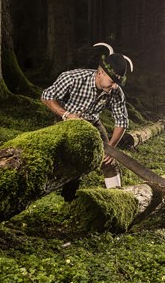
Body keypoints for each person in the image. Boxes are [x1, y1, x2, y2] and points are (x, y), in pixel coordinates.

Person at [41, 42, 132, 199]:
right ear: (100, 73)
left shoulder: (115, 90)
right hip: (66, 121)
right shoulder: (72, 78)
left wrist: (111, 147)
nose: (114, 87)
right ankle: (65, 197)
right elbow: (46, 96)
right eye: (112, 82)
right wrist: (65, 114)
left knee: (109, 161)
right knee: (68, 160)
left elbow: (122, 121)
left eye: (117, 83)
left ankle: (116, 199)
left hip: (93, 122)